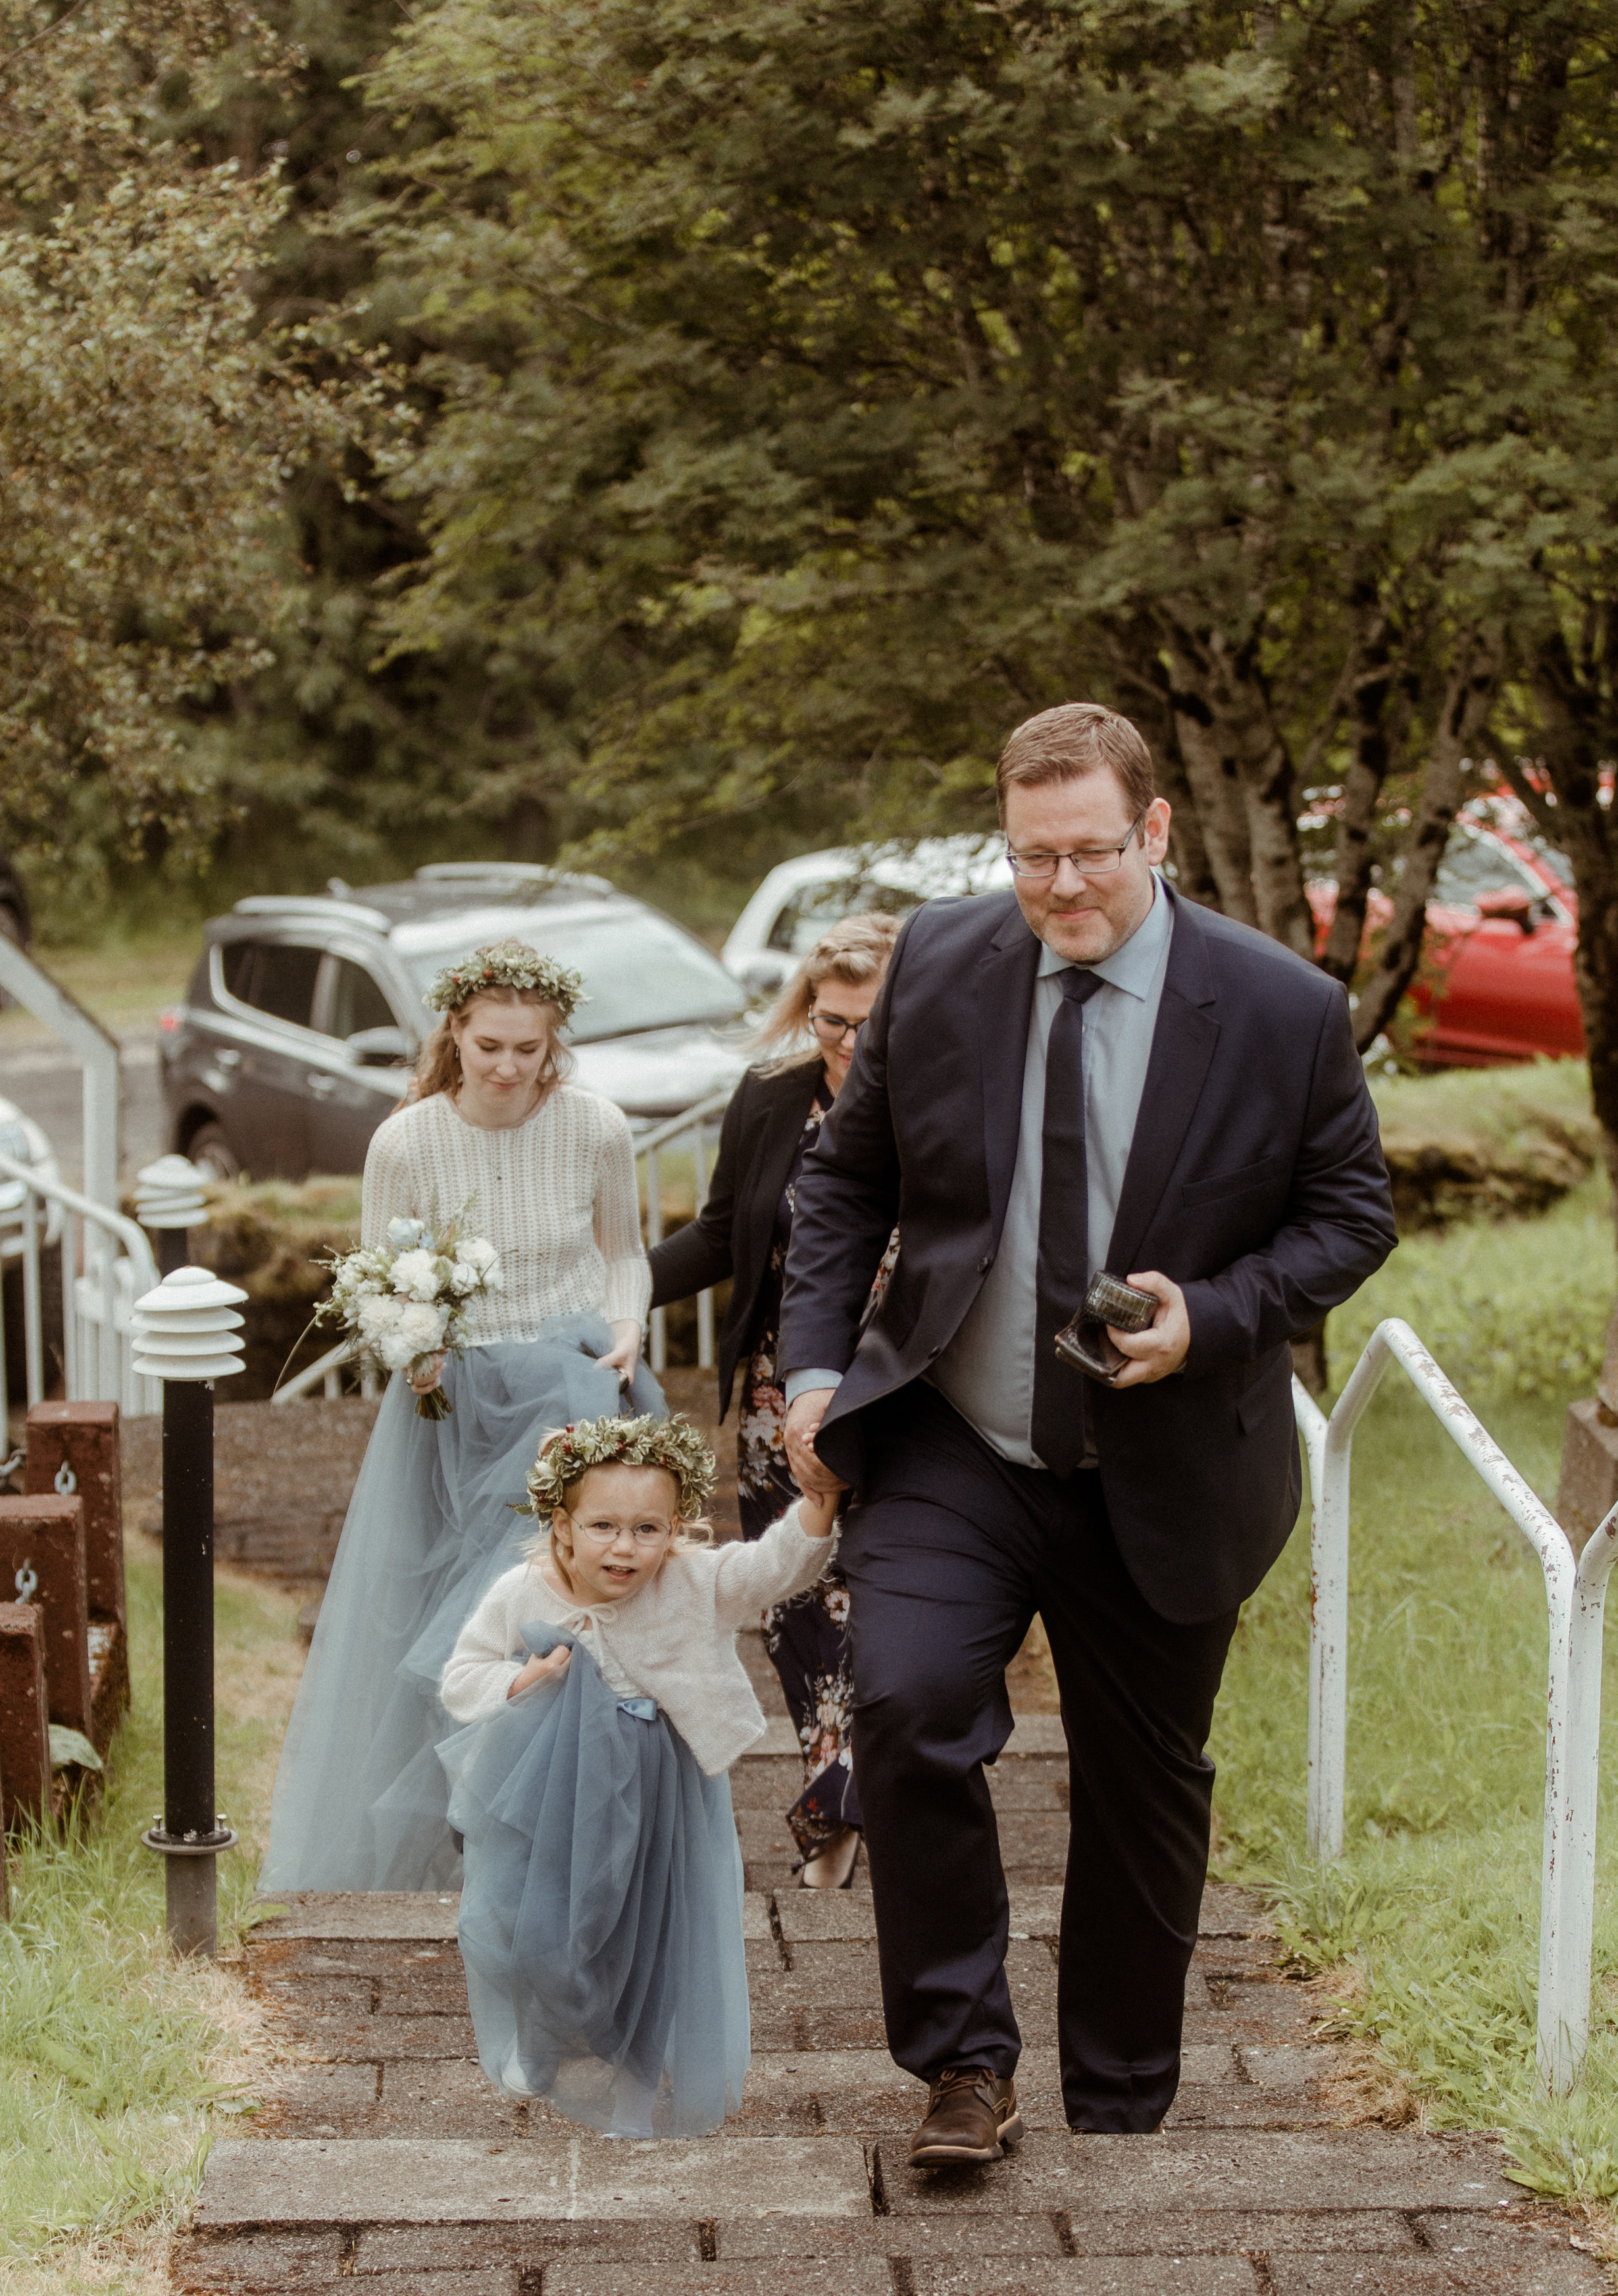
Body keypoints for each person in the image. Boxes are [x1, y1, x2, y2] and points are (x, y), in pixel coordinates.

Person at [779, 701, 1397, 2162]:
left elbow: (1348, 1218)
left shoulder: (1277, 1008)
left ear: (1155, 832)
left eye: (1090, 856)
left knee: (1144, 1782)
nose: (1060, 889)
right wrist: (812, 1370)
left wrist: (1218, 1315)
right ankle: (961, 2068)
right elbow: (841, 1188)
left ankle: (1119, 2091)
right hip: (953, 1435)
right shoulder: (936, 962)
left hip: (1167, 1459)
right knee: (909, 1705)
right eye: (1028, 859)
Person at [261, 940, 659, 1894]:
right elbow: (373, 1285)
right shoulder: (406, 1141)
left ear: (554, 1041)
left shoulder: (596, 1126)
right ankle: (476, 1817)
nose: (511, 1067)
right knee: (459, 1617)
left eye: (531, 1048)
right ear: (454, 1033)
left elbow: (625, 1252)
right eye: (491, 1046)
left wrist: (630, 1328)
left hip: (574, 1390)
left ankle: (571, 1822)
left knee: (573, 1604)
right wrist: (416, 1349)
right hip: (458, 1404)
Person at [438, 1413, 840, 2135]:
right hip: (554, 1792)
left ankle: (641, 2055)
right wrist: (518, 1680)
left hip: (663, 1791)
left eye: (647, 1530)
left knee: (655, 1929)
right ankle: (544, 2036)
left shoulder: (692, 1582)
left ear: (675, 1527)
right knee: (541, 1927)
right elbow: (461, 1676)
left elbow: (772, 1567)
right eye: (603, 1527)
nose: (624, 1547)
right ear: (561, 1524)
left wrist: (818, 1505)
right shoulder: (521, 1592)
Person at [649, 913, 899, 1889]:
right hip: (775, 1396)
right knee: (794, 1599)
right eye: (833, 1022)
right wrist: (616, 1289)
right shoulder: (769, 1102)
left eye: (870, 1025)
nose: (849, 1044)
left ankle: (860, 1793)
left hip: (905, 1391)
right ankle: (836, 1796)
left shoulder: (947, 1102)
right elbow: (718, 1237)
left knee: (879, 1594)